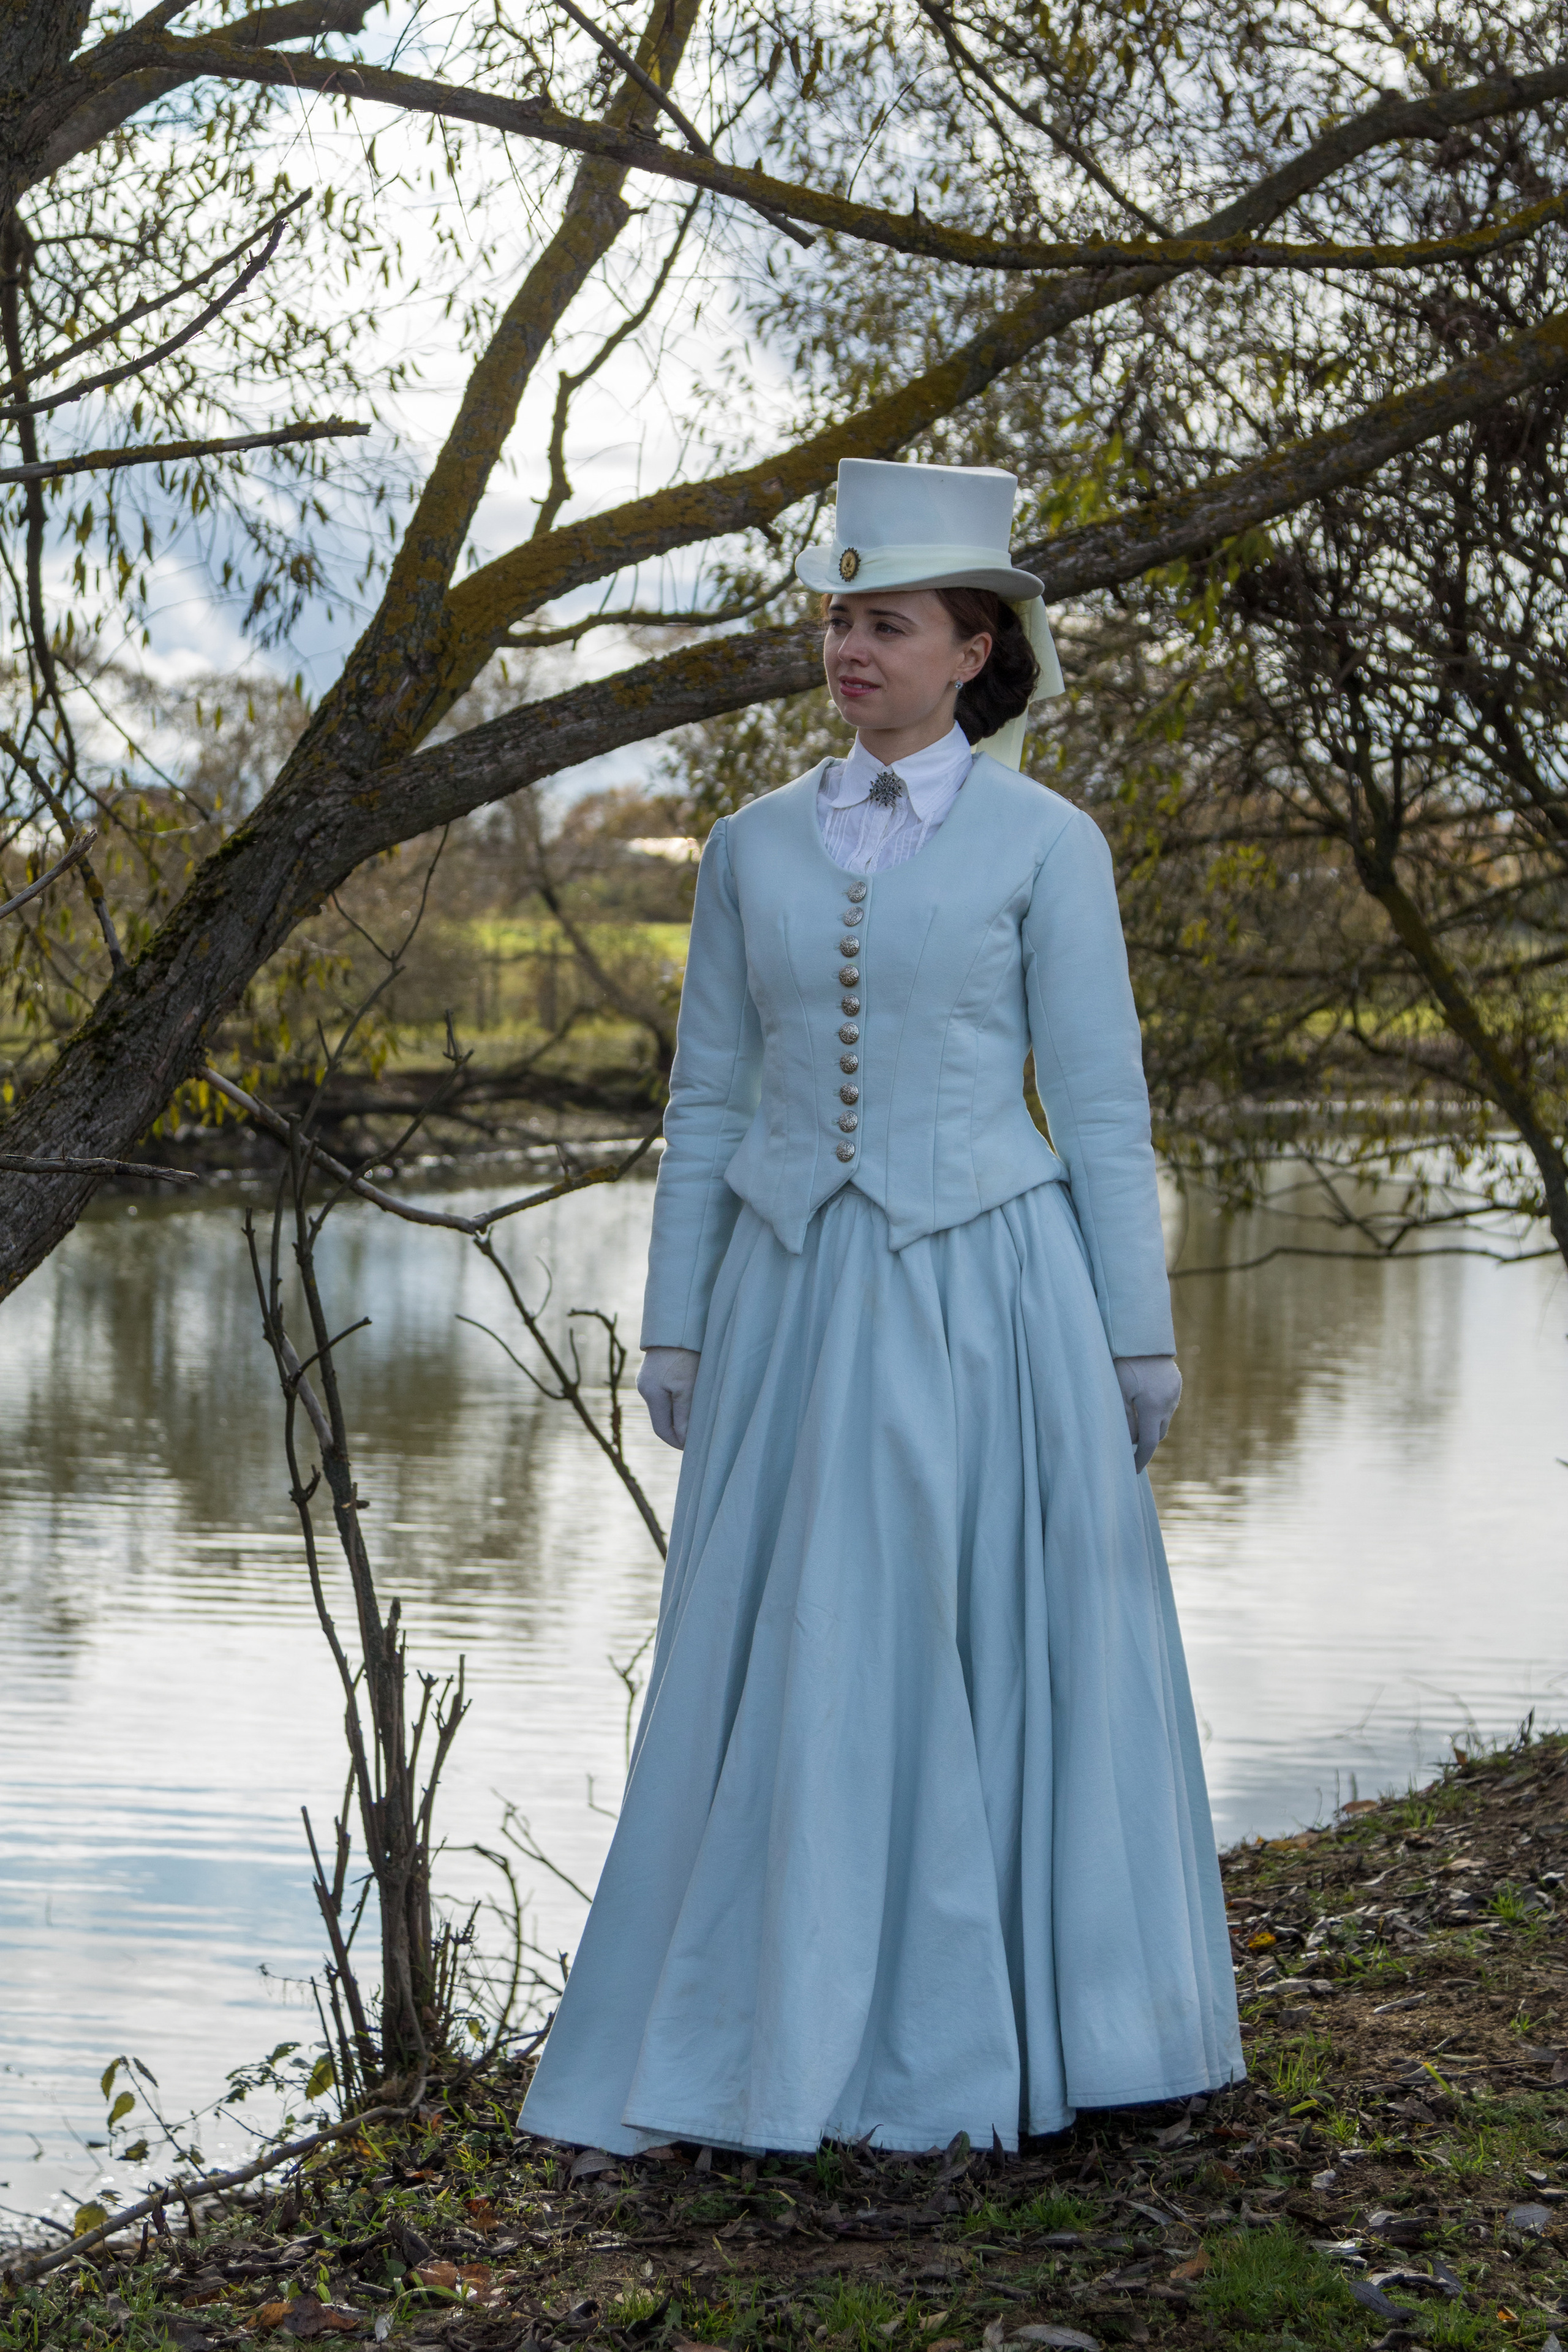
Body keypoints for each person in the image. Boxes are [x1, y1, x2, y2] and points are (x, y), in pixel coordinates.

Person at [518, 458, 1243, 2157]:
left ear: (976, 649)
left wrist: (1135, 1335)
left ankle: (1012, 2042)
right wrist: (675, 1317)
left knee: (972, 1647)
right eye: (840, 615)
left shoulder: (1049, 847)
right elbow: (705, 1099)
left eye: (886, 620)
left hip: (989, 1295)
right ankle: (764, 2036)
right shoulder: (754, 848)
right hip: (788, 1299)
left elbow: (1102, 1103)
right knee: (801, 1664)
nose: (849, 644)